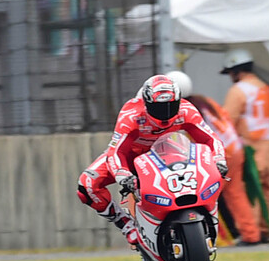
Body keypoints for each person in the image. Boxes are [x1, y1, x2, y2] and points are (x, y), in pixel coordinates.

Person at [77, 74, 228, 245]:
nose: (166, 114)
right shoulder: (131, 114)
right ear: (146, 103)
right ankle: (125, 224)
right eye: (159, 108)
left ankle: (203, 217)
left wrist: (219, 159)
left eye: (171, 106)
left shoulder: (186, 110)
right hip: (132, 156)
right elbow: (116, 151)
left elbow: (210, 139)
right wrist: (122, 174)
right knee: (87, 184)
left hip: (169, 151)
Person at [166, 70, 262, 246]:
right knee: (235, 193)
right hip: (234, 147)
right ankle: (251, 234)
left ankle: (220, 238)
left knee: (208, 195)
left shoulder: (182, 110)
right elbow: (225, 118)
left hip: (221, 153)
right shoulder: (205, 101)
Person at [221, 48, 269, 241]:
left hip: (251, 147)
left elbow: (227, 119)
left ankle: (251, 233)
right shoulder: (265, 88)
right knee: (268, 189)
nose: (230, 77)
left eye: (230, 72)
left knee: (250, 189)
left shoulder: (238, 91)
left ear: (236, 70)